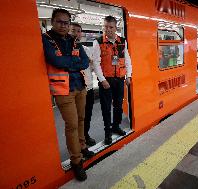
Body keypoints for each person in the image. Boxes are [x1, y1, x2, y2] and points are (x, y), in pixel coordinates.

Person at [42, 9, 94, 181]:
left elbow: (85, 62)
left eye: (66, 22)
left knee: (81, 119)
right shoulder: (46, 39)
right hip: (63, 90)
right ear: (52, 21)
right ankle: (76, 161)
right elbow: (55, 61)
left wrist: (68, 62)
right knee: (71, 124)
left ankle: (82, 146)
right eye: (59, 22)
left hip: (80, 86)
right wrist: (73, 62)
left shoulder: (74, 41)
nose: (63, 25)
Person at [93, 16, 132, 145]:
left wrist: (129, 75)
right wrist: (102, 79)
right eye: (105, 27)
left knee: (118, 105)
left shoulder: (122, 41)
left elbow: (127, 60)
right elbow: (96, 64)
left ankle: (116, 126)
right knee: (106, 108)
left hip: (120, 79)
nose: (108, 29)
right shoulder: (98, 42)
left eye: (111, 27)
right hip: (106, 80)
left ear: (116, 28)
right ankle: (107, 133)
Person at [69, 23, 97, 146]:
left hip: (88, 87)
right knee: (75, 119)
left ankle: (85, 136)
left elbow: (91, 66)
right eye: (73, 31)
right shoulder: (65, 50)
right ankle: (76, 143)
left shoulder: (86, 49)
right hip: (74, 88)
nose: (76, 33)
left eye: (78, 31)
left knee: (87, 115)